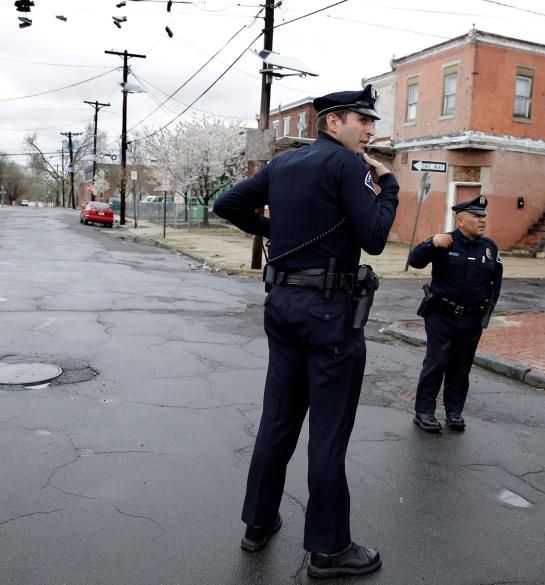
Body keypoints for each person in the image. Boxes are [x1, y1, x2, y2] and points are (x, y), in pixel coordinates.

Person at [213, 85, 398, 580]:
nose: (371, 130)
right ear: (333, 122)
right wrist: (391, 186)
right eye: (364, 121)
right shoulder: (347, 165)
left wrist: (279, 232)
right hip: (329, 313)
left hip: (283, 305)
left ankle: (258, 522)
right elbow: (375, 239)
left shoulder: (282, 165)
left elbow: (225, 205)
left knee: (278, 418)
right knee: (328, 433)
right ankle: (329, 549)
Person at [408, 195, 503, 433]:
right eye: (476, 216)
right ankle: (424, 412)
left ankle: (454, 411)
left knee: (461, 367)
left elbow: (495, 283)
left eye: (484, 217)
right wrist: (431, 243)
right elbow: (414, 261)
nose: (482, 221)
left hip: (471, 319)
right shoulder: (445, 242)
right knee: (437, 362)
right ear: (461, 220)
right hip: (442, 315)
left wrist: (486, 313)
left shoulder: (489, 248)